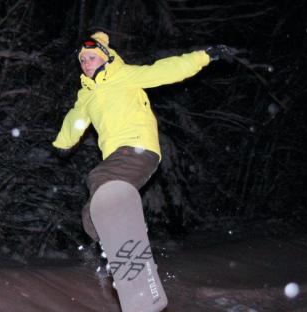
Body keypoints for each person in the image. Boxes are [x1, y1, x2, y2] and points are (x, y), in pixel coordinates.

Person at [52, 31, 238, 243]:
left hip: (137, 148)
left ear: (106, 56)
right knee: (92, 210)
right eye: (82, 60)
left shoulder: (123, 75)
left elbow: (164, 71)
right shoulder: (87, 95)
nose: (86, 64)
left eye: (91, 57)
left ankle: (124, 231)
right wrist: (64, 142)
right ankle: (115, 250)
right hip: (118, 158)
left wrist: (204, 56)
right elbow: (76, 119)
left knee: (99, 178)